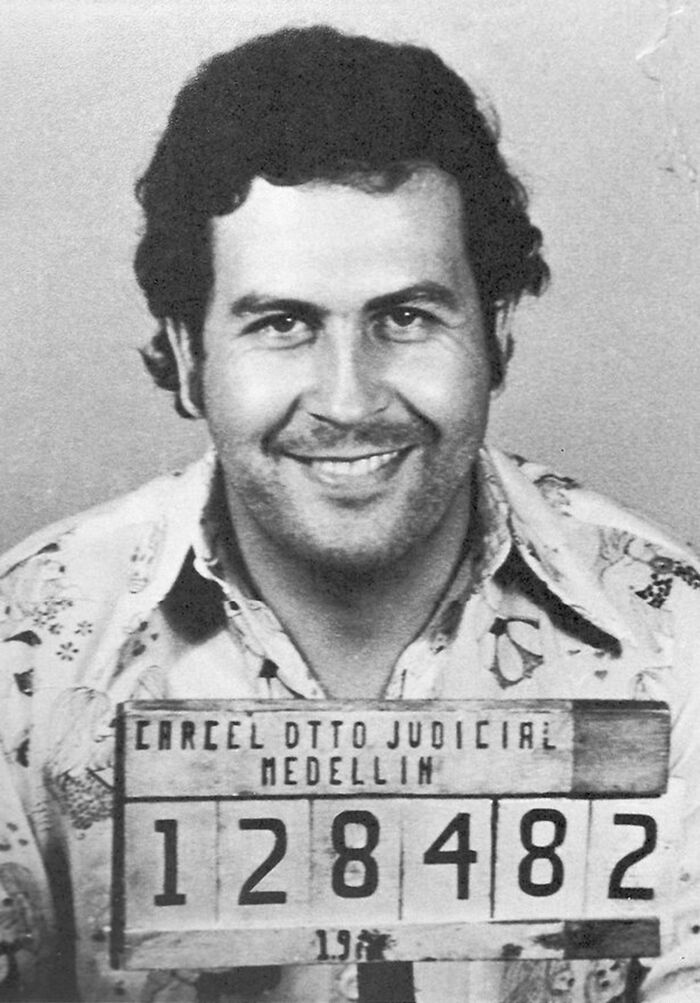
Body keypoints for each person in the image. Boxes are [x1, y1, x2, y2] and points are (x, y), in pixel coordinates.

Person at [1, 23, 699, 1003]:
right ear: (187, 353)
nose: (349, 398)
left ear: (494, 332)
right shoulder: (21, 660)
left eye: (406, 317)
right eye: (281, 324)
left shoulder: (675, 642)